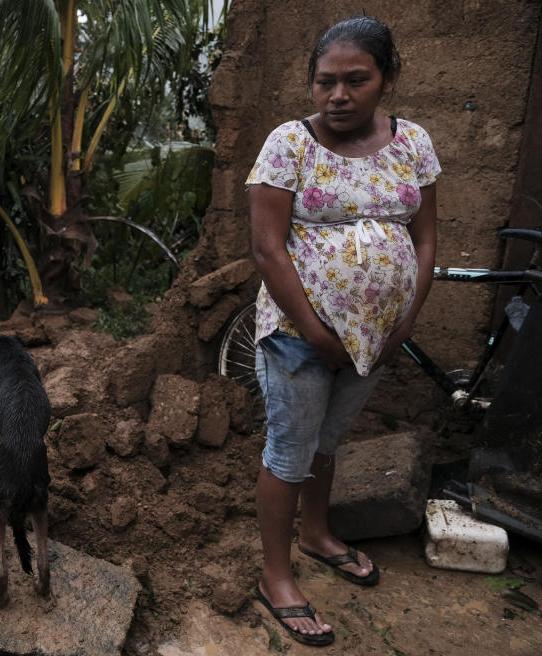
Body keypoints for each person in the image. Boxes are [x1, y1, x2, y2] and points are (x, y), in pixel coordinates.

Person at [245, 15, 439, 647]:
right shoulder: (288, 145)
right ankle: (277, 575)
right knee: (290, 452)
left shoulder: (412, 142)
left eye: (357, 80)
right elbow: (268, 250)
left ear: (389, 78)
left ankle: (317, 533)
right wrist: (315, 331)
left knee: (328, 443)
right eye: (326, 82)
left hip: (378, 336)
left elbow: (426, 238)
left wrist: (404, 320)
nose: (339, 95)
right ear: (312, 85)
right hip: (301, 337)